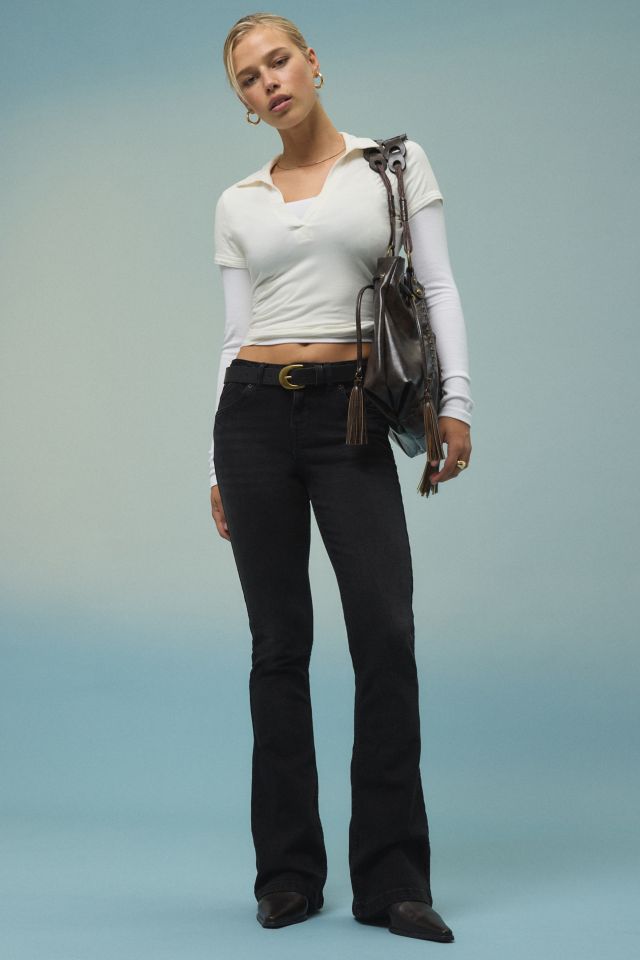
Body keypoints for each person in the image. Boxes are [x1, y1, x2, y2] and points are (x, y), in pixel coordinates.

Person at [208, 12, 472, 943]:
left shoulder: (391, 166)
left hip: (350, 415)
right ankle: (287, 874)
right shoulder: (238, 200)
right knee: (278, 646)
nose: (269, 82)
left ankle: (392, 880)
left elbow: (437, 286)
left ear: (313, 63)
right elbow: (235, 335)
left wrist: (457, 402)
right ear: (245, 104)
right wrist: (213, 463)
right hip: (251, 419)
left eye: (278, 61)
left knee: (385, 634)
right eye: (248, 78)